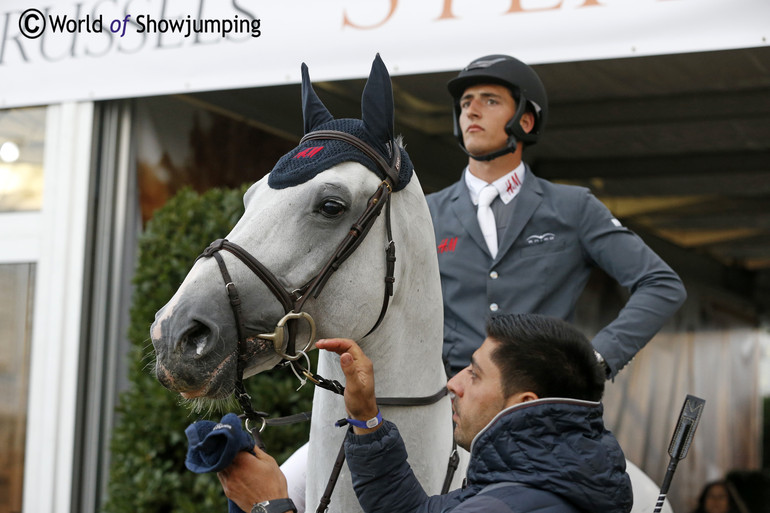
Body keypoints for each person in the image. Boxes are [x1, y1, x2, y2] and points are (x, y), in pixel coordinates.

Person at [427, 54, 687, 378]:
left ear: (525, 120)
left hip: (546, 408)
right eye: (465, 103)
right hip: (452, 406)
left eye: (490, 101)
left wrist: (597, 359)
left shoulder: (573, 206)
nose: (472, 111)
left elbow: (661, 284)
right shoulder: (425, 213)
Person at [218, 313, 633, 513]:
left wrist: (270, 505)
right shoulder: (535, 486)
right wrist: (365, 417)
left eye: (474, 374)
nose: (453, 384)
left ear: (523, 404)